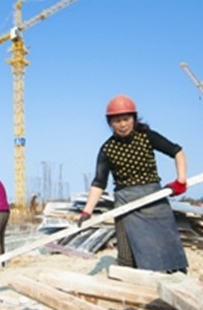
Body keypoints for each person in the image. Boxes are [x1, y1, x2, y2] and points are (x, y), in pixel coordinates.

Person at [78, 95, 189, 274]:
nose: (122, 124)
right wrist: (87, 211)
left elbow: (177, 151)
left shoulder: (147, 137)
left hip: (154, 198)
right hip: (125, 202)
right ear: (110, 123)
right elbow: (99, 182)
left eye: (126, 119)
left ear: (134, 118)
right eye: (117, 120)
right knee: (128, 253)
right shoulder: (107, 149)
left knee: (166, 247)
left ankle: (175, 281)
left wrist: (181, 180)